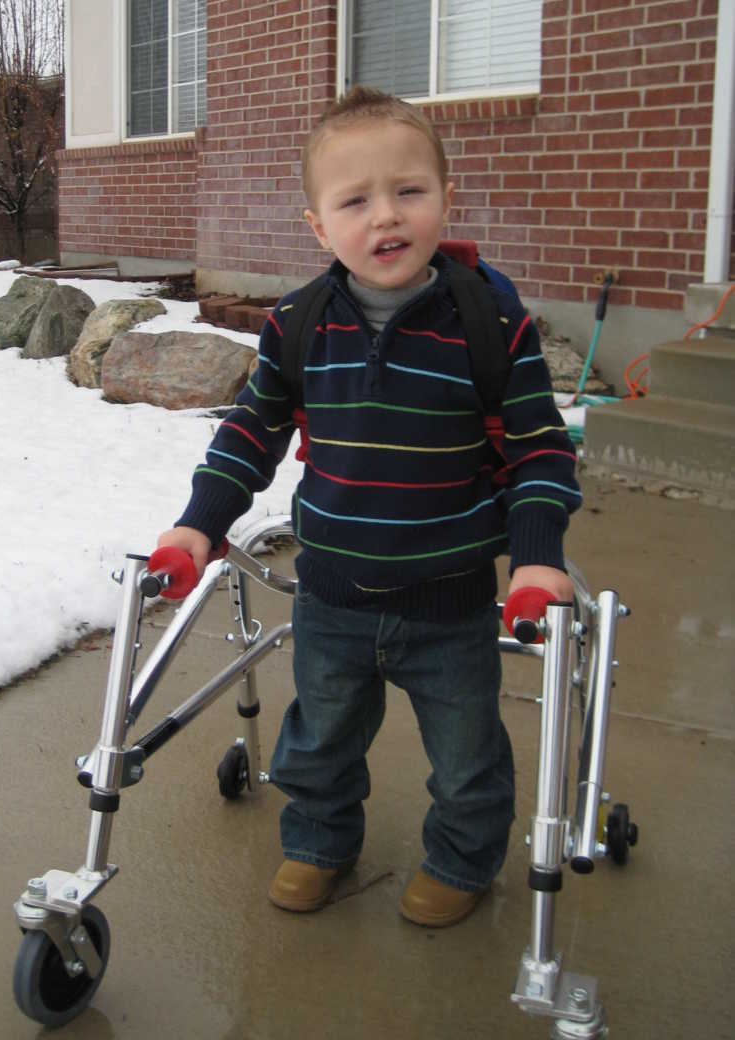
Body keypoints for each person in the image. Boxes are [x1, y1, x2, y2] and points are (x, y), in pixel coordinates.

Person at [156, 86, 581, 927]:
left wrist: (538, 555)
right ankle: (317, 844)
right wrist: (200, 522)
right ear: (318, 226)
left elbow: (539, 449)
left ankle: (462, 863)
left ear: (445, 198)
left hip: (450, 599)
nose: (386, 217)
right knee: (317, 741)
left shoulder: (490, 321)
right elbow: (251, 433)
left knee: (465, 758)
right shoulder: (300, 324)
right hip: (333, 596)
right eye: (356, 201)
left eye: (409, 191)